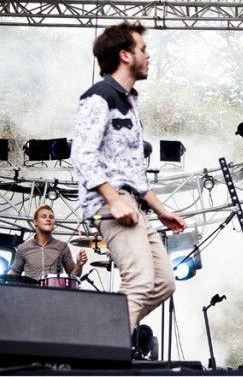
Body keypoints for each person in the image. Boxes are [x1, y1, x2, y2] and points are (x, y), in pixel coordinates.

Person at [71, 21, 187, 333]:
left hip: (132, 202)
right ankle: (92, 356)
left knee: (163, 283)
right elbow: (82, 154)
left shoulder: (129, 100)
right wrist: (113, 200)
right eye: (143, 49)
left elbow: (133, 172)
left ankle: (94, 335)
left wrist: (161, 210)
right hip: (112, 203)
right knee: (139, 283)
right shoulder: (99, 97)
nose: (148, 56)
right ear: (125, 55)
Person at [9, 204, 87, 282]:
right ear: (35, 222)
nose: (48, 219)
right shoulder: (23, 248)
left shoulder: (62, 246)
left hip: (55, 292)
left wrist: (79, 265)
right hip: (31, 292)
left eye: (51, 217)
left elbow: (73, 277)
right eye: (44, 216)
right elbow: (15, 273)